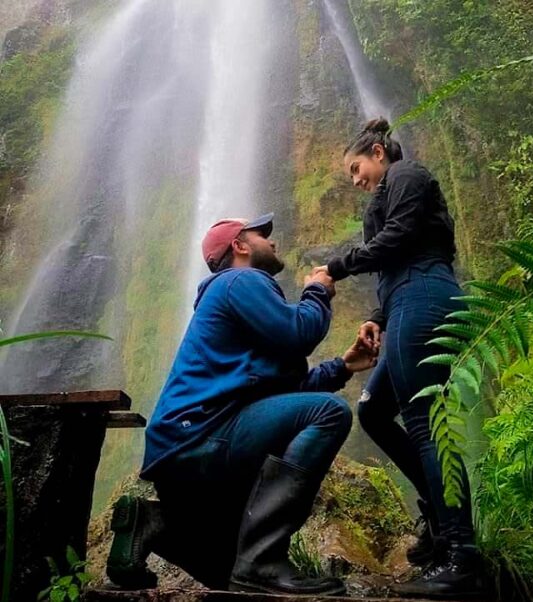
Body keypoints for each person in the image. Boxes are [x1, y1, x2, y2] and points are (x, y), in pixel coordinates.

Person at [106, 212, 376, 595]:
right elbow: (298, 333)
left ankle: (154, 522)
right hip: (201, 437)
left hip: (183, 455)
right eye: (261, 234)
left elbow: (284, 390)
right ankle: (263, 560)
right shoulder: (240, 281)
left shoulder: (235, 299)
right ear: (240, 246)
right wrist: (317, 290)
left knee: (230, 578)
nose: (272, 239)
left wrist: (343, 367)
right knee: (328, 413)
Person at [315, 118, 485, 599]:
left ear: (377, 152)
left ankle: (461, 553)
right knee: (372, 410)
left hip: (425, 294)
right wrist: (375, 316)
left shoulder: (406, 175)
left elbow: (402, 239)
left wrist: (336, 267)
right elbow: (393, 256)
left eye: (355, 167)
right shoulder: (387, 193)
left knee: (423, 421)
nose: (355, 180)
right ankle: (439, 514)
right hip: (404, 301)